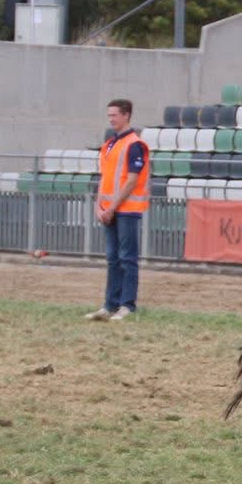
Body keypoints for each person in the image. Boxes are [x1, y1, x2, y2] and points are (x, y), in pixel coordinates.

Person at [87, 98, 148, 322]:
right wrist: (99, 206)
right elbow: (105, 179)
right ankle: (110, 304)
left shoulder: (134, 144)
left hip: (127, 210)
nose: (110, 118)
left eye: (114, 114)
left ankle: (127, 305)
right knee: (113, 258)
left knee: (127, 258)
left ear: (126, 115)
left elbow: (131, 181)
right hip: (110, 210)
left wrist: (111, 207)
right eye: (109, 114)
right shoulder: (110, 144)